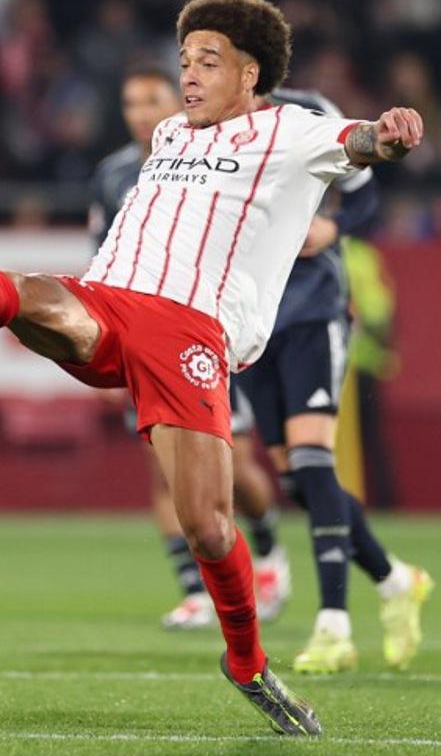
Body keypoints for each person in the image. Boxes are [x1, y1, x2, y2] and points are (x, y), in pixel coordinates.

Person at [0, 0, 425, 736]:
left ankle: (247, 664)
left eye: (209, 62)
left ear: (250, 74)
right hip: (110, 301)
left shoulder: (292, 132)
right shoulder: (169, 133)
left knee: (206, 526)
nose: (190, 77)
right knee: (35, 298)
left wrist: (391, 133)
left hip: (193, 334)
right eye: (185, 62)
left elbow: (362, 144)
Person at [235, 86, 433, 675]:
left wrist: (332, 228)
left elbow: (366, 199)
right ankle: (396, 580)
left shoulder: (307, 113)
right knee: (298, 479)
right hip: (251, 317)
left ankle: (334, 625)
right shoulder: (206, 127)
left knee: (314, 462)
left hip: (312, 311)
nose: (199, 70)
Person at [88, 65, 289, 631]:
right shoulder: (111, 175)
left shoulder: (210, 151)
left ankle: (269, 545)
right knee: (161, 469)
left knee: (236, 467)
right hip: (136, 328)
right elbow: (100, 250)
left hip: (199, 327)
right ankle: (193, 589)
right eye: (129, 103)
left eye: (150, 100)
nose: (140, 113)